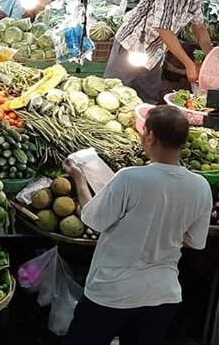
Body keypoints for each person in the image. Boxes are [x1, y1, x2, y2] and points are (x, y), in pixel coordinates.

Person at [61, 105, 211, 345]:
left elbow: (93, 220)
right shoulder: (201, 186)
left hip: (112, 292)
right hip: (162, 295)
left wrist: (79, 178)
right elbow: (195, 241)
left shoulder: (130, 177)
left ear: (150, 136)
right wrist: (162, 229)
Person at [105, 0, 215, 105]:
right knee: (114, 91)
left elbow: (198, 25)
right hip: (132, 44)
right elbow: (164, 30)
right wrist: (189, 64)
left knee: (147, 96)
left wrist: (211, 55)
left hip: (156, 51)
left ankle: (143, 123)